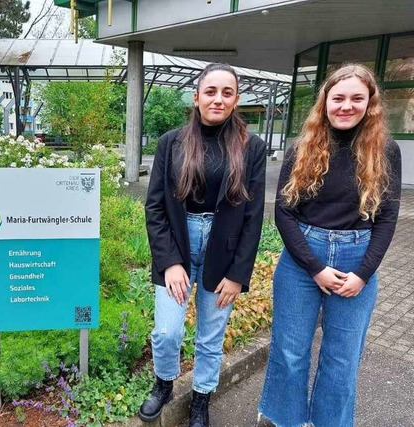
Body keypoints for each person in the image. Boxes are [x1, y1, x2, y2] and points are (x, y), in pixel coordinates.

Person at [258, 63, 401, 427]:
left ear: (370, 104)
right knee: (290, 352)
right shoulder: (302, 147)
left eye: (357, 98)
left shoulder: (386, 150)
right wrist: (315, 267)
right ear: (325, 102)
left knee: (342, 358)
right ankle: (287, 421)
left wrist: (364, 274)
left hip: (358, 258)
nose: (346, 106)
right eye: (338, 98)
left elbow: (386, 218)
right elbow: (284, 214)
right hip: (302, 259)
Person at [140, 63, 266, 427]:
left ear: (236, 99)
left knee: (210, 338)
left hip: (222, 251)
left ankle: (200, 399)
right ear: (196, 97)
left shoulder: (251, 147)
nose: (218, 99)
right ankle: (164, 383)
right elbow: (156, 206)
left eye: (227, 92)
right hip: (178, 245)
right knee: (166, 332)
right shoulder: (171, 143)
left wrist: (239, 273)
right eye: (210, 91)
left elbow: (253, 215)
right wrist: (169, 262)